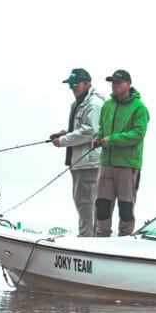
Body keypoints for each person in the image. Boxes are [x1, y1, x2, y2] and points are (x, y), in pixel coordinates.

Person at [92, 69, 150, 236]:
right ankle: (100, 238)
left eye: (118, 82)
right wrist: (97, 137)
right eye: (112, 82)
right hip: (106, 163)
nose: (114, 85)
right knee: (102, 205)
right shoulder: (107, 105)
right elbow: (102, 128)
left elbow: (138, 134)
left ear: (128, 84)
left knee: (126, 207)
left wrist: (112, 140)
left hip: (127, 165)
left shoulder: (139, 108)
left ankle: (124, 240)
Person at [50, 68, 105, 237]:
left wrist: (63, 141)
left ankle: (87, 238)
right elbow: (80, 128)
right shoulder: (79, 103)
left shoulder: (94, 103)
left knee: (86, 202)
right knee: (82, 200)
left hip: (89, 162)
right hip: (78, 162)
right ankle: (87, 234)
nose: (71, 87)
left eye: (74, 84)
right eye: (70, 84)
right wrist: (64, 133)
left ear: (86, 84)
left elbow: (90, 131)